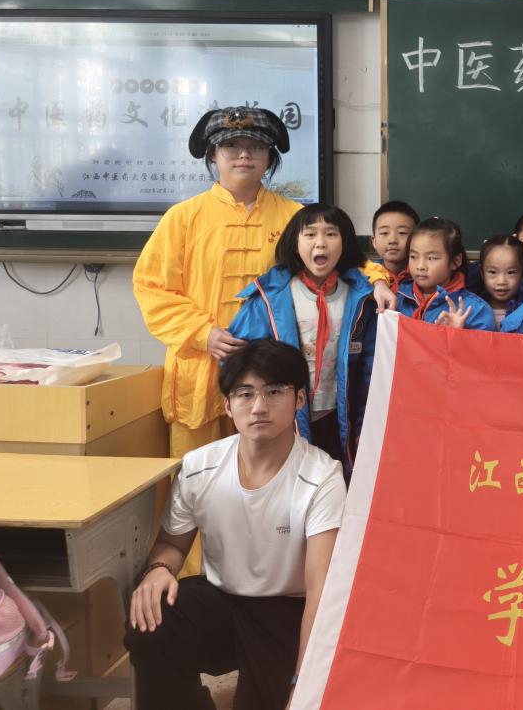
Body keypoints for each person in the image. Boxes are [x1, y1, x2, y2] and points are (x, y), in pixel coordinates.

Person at [124, 340, 344, 710]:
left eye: (274, 392)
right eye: (245, 394)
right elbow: (172, 545)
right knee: (153, 615)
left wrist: (303, 682)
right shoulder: (200, 466)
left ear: (299, 400)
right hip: (222, 602)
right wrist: (158, 569)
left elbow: (320, 590)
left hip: (287, 612)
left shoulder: (322, 477)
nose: (259, 407)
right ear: (228, 405)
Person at [132, 107, 301, 572]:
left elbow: (340, 261)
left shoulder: (295, 218)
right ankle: (189, 584)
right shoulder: (183, 218)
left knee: (271, 480)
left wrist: (379, 281)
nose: (243, 155)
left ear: (270, 158)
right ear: (213, 156)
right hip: (199, 377)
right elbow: (152, 286)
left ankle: (269, 580)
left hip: (269, 379)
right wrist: (202, 333)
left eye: (256, 147)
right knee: (194, 485)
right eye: (231, 147)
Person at [227, 204, 375, 469]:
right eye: (310, 234)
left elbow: (371, 365)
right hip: (283, 418)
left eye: (331, 234)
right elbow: (240, 360)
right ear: (295, 244)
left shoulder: (361, 298)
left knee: (336, 480)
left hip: (340, 417)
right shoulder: (270, 297)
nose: (321, 242)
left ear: (345, 243)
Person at [395, 217, 495, 330]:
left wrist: (458, 335)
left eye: (431, 258)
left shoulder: (476, 311)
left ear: (455, 261)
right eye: (413, 256)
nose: (420, 266)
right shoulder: (397, 298)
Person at [474, 234, 523, 328]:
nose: (501, 281)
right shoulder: (472, 310)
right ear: (482, 273)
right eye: (493, 272)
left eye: (510, 272)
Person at [369, 200, 419, 282]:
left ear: (417, 239)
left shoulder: (426, 276)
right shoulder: (365, 276)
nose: (392, 240)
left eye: (402, 232)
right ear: (374, 241)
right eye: (384, 233)